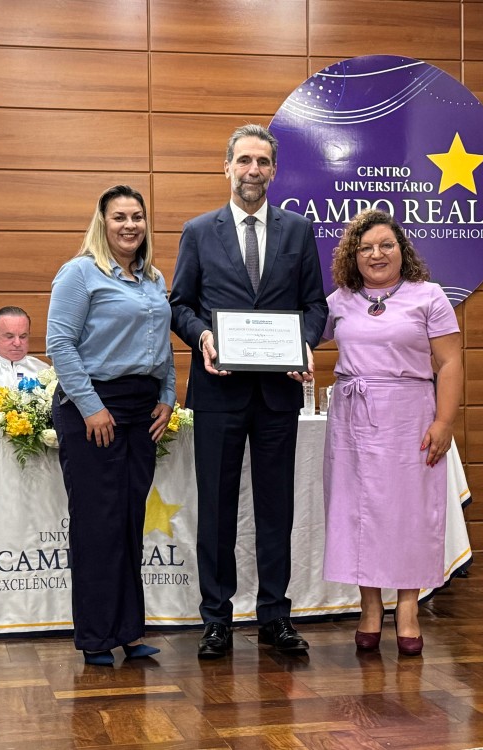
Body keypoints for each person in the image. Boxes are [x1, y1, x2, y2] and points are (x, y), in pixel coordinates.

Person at [169, 124, 329, 658]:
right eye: (244, 160)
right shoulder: (198, 230)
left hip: (279, 396)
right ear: (227, 166)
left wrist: (305, 344)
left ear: (274, 170)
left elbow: (315, 306)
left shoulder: (299, 231)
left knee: (276, 509)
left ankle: (274, 616)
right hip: (217, 394)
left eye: (262, 161)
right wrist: (205, 337)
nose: (253, 170)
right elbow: (179, 306)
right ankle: (215, 618)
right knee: (214, 509)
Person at [321, 208, 463, 657]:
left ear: (402, 250)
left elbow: (451, 362)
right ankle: (368, 608)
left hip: (410, 415)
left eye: (386, 245)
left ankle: (407, 608)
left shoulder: (429, 296)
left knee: (408, 513)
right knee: (358, 513)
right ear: (352, 255)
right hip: (351, 416)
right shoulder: (340, 299)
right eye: (365, 248)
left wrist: (443, 421)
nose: (376, 254)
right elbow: (303, 338)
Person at [47, 184, 176, 666]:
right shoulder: (80, 274)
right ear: (102, 222)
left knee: (127, 525)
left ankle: (128, 632)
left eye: (137, 217)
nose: (130, 225)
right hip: (93, 410)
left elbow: (159, 345)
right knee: (96, 527)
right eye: (119, 217)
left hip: (142, 411)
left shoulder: (152, 278)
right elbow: (59, 344)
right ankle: (97, 637)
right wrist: (91, 406)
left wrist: (167, 397)